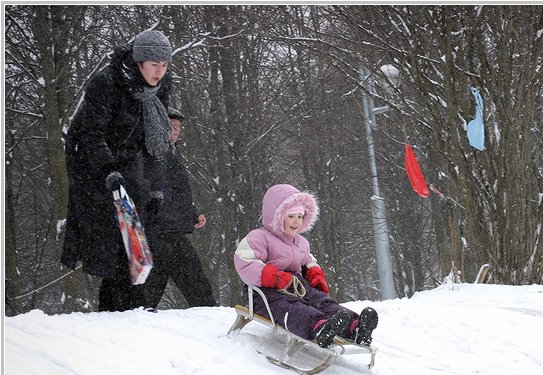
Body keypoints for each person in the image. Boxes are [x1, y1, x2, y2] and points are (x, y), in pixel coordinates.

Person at [61, 29, 174, 311]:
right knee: (112, 239)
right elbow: (91, 135)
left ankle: (133, 306)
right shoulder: (107, 83)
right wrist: (108, 171)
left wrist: (157, 186)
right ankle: (116, 311)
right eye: (154, 65)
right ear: (138, 62)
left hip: (130, 160)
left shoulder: (161, 86)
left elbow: (158, 140)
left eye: (165, 65)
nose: (159, 72)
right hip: (91, 163)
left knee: (136, 236)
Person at [233, 183, 378, 348]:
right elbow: (245, 261)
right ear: (277, 215)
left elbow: (308, 261)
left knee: (322, 301)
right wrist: (275, 278)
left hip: (296, 286)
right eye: (291, 216)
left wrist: (315, 275)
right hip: (266, 293)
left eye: (300, 216)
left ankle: (354, 327)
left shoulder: (300, 243)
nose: (296, 222)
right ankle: (319, 327)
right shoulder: (259, 237)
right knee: (293, 308)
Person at [141, 107, 217, 309]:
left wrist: (192, 213)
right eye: (171, 126)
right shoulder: (153, 153)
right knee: (193, 278)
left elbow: (176, 191)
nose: (176, 131)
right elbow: (155, 191)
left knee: (154, 280)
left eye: (178, 127)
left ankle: (136, 315)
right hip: (161, 229)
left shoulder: (171, 153)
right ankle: (209, 314)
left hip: (167, 228)